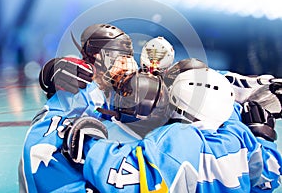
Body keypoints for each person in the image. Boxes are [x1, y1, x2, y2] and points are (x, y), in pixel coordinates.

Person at [64, 64, 282, 192]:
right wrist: (262, 136)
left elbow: (121, 178)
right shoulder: (239, 135)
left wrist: (88, 141)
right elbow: (268, 177)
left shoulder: (176, 140)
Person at [18, 23, 138, 192]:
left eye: (129, 57)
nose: (128, 64)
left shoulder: (107, 93)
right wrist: (53, 70)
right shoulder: (80, 88)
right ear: (99, 56)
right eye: (120, 56)